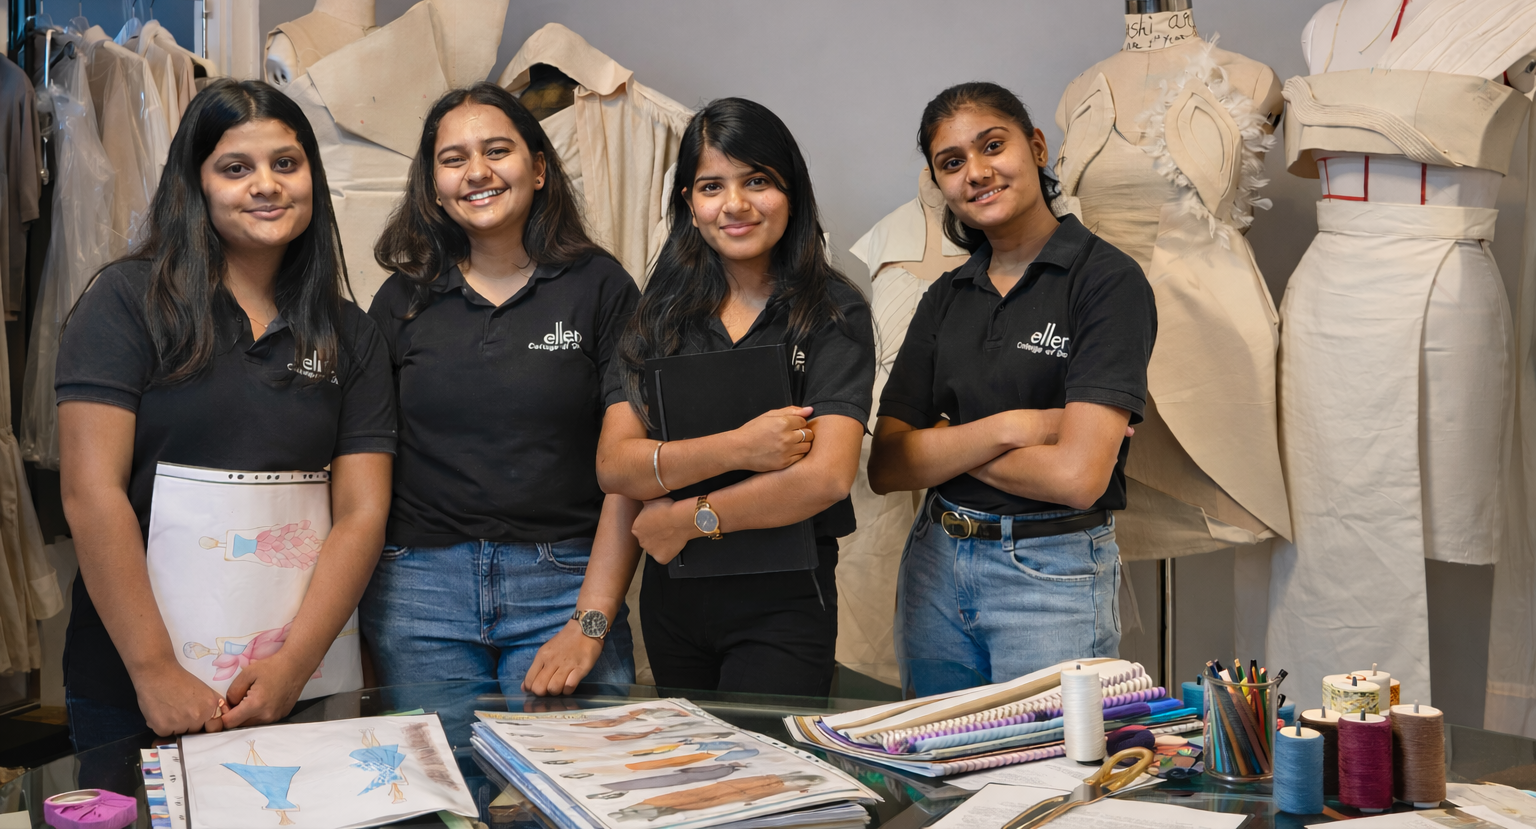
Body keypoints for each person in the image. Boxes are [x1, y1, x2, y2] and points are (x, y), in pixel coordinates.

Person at [58, 80, 396, 750]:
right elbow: (90, 495)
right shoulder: (126, 303)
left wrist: (293, 667)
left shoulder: (351, 335)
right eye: (236, 168)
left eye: (286, 164)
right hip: (133, 680)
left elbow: (362, 513)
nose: (265, 185)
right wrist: (154, 670)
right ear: (198, 183)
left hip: (297, 679)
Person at [867, 82, 1156, 698]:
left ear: (1037, 147)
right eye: (952, 163)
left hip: (1050, 574)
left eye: (991, 146)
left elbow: (1079, 477)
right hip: (935, 568)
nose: (976, 172)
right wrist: (1015, 427)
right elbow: (889, 463)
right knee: (938, 772)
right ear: (939, 183)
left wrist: (946, 445)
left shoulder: (1107, 282)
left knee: (1051, 781)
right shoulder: (946, 296)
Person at [363, 82, 641, 695]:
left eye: (497, 151)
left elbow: (630, 472)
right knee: (443, 790)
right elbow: (362, 464)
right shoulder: (401, 299)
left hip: (564, 585)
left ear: (538, 168)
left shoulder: (601, 288)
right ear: (433, 185)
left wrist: (591, 621)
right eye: (453, 159)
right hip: (419, 593)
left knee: (573, 787)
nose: (477, 172)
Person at [596, 97, 874, 697]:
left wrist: (690, 520)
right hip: (674, 605)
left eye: (757, 181)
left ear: (791, 191)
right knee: (692, 776)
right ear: (689, 206)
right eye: (711, 186)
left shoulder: (831, 311)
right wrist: (741, 447)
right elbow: (617, 466)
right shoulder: (657, 318)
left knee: (770, 783)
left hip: (785, 602)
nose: (736, 205)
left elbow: (824, 478)